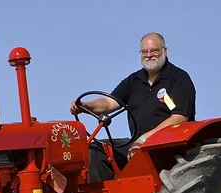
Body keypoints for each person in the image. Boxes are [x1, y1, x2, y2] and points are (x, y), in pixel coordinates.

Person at [70, 32, 196, 182]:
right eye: (144, 52)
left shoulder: (178, 78)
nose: (149, 55)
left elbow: (179, 118)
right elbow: (109, 102)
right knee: (98, 149)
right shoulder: (134, 80)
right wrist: (86, 106)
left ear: (164, 51)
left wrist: (143, 139)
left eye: (154, 50)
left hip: (168, 146)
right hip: (137, 143)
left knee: (138, 151)